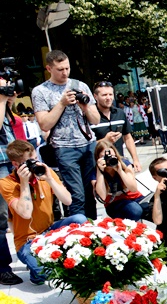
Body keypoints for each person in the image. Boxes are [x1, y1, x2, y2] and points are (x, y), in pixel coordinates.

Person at [0, 140, 86, 285]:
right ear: (15, 164)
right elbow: (25, 214)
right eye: (29, 162)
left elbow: (67, 201)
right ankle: (36, 271)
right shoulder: (6, 183)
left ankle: (61, 256)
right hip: (27, 242)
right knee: (45, 273)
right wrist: (24, 183)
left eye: (35, 159)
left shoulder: (45, 172)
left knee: (80, 219)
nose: (34, 164)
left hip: (49, 231)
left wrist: (50, 179)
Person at [31, 50, 101, 219]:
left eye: (67, 68)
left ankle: (94, 230)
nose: (65, 73)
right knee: (76, 195)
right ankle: (78, 233)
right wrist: (61, 103)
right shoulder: (40, 91)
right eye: (60, 69)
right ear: (49, 68)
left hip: (87, 144)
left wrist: (84, 107)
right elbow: (44, 124)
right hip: (64, 148)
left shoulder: (80, 85)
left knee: (90, 193)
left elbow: (96, 120)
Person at [0, 81, 24, 285]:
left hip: (12, 161)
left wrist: (7, 99)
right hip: (0, 164)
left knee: (24, 208)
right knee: (1, 219)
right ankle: (2, 268)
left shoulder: (6, 108)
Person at [91, 81, 141, 172]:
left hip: (118, 163)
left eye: (110, 94)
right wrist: (104, 141)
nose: (108, 98)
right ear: (95, 97)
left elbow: (127, 137)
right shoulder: (90, 117)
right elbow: (86, 146)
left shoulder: (120, 113)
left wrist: (135, 159)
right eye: (104, 95)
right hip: (98, 166)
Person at [93, 140, 143, 221]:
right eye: (104, 157)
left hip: (134, 198)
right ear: (97, 158)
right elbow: (102, 197)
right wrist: (100, 171)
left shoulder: (124, 164)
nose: (108, 159)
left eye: (111, 156)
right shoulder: (95, 171)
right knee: (134, 210)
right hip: (114, 204)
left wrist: (120, 170)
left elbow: (133, 188)